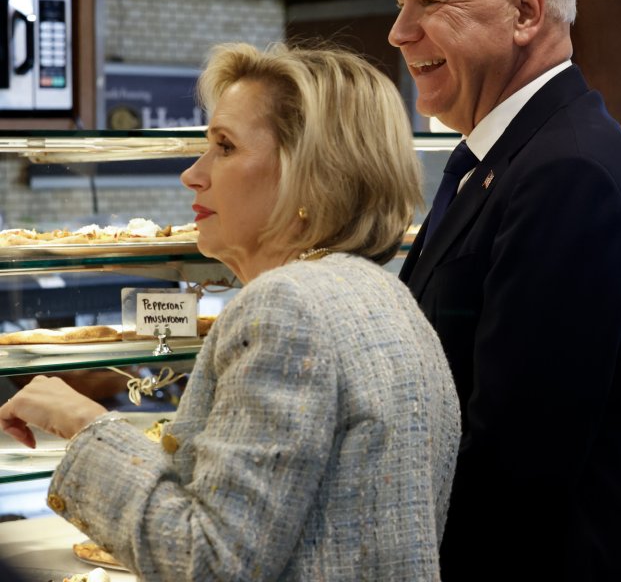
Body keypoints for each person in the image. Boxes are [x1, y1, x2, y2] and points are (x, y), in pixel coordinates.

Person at [0, 42, 460, 581]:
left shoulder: (288, 307)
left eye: (224, 147)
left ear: (307, 173)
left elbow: (210, 561)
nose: (192, 174)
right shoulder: (390, 301)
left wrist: (86, 426)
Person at [391, 0, 621, 581]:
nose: (399, 33)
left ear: (525, 11)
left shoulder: (568, 175)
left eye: (428, 3)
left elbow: (517, 465)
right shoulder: (501, 160)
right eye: (400, 4)